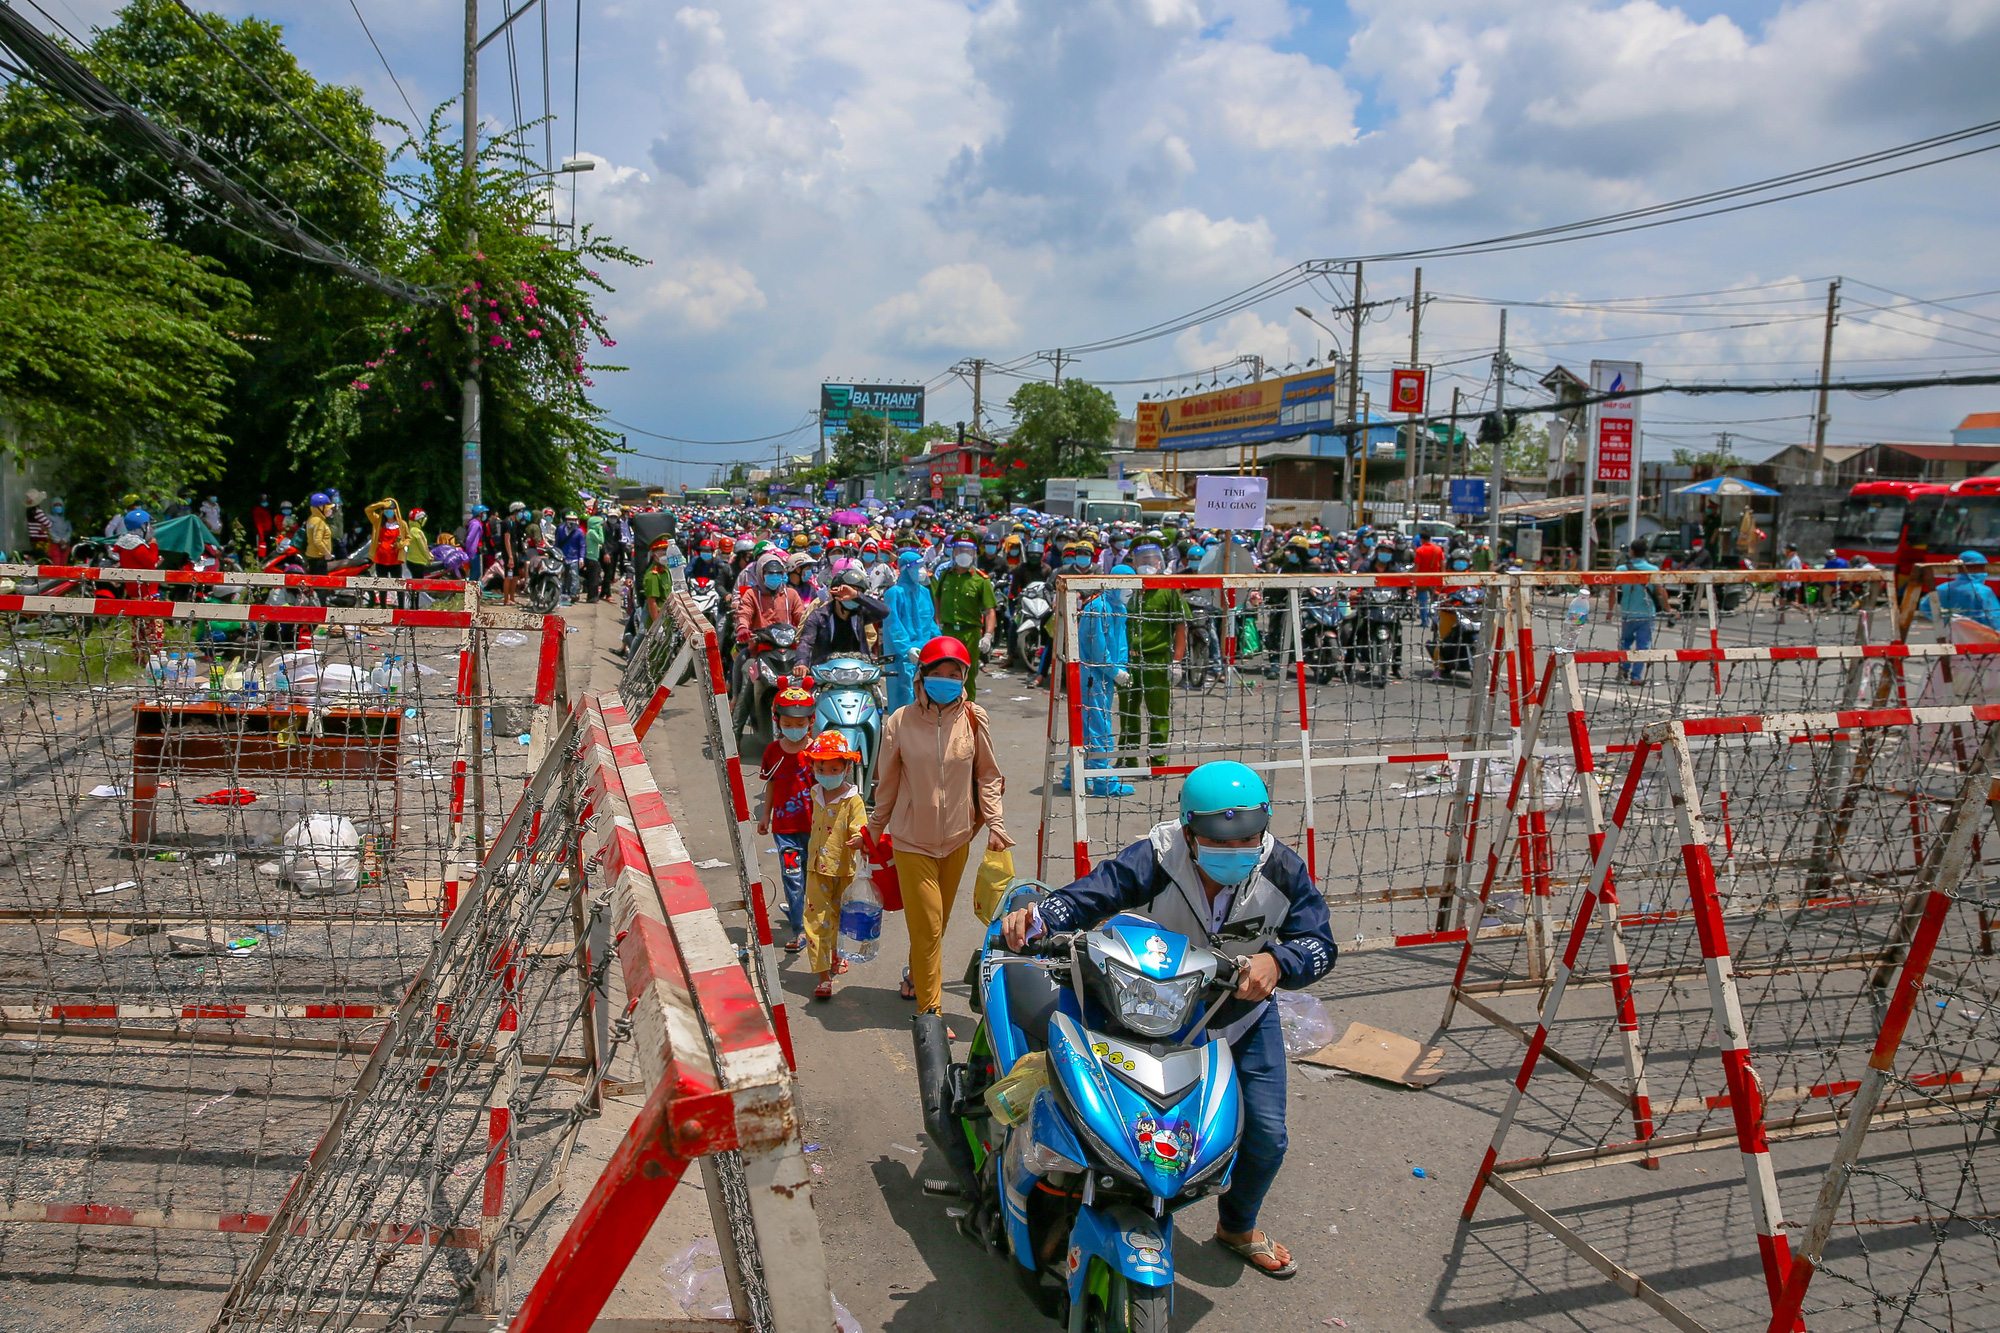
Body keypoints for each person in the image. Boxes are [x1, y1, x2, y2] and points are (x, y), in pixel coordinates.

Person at [999, 761, 1335, 1281]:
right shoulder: (1157, 857)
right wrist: (1041, 917)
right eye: (1219, 841)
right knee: (1123, 1126)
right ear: (1188, 832)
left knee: (1267, 1135)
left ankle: (1238, 1226)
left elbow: (1319, 945)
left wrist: (1278, 962)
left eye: (1248, 839)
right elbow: (1095, 893)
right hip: (1153, 1010)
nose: (1235, 851)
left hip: (1240, 1014)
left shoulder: (1283, 870)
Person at [865, 636, 1010, 1009]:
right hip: (912, 841)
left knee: (937, 923)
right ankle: (930, 1014)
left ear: (964, 678)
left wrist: (995, 823)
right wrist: (874, 831)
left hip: (959, 838)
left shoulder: (975, 719)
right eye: (937, 673)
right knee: (928, 928)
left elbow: (988, 776)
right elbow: (887, 783)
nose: (944, 680)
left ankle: (915, 973)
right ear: (922, 676)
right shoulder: (900, 721)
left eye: (953, 674)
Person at [802, 730, 867, 1000]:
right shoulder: (815, 792)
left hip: (844, 868)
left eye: (833, 768)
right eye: (821, 768)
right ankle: (823, 976)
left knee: (841, 918)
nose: (826, 773)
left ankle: (838, 956)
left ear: (846, 768)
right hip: (816, 868)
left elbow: (859, 826)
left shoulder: (853, 799)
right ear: (813, 767)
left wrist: (859, 838)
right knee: (816, 921)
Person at [756, 686, 819, 952]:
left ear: (811, 722)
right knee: (792, 876)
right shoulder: (772, 752)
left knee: (814, 877)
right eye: (788, 724)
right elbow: (770, 785)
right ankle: (798, 929)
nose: (794, 728)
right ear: (777, 721)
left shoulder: (817, 752)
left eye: (800, 724)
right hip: (784, 831)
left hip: (816, 830)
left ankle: (817, 923)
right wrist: (766, 816)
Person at [1120, 546, 1187, 770]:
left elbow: (1180, 628)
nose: (1147, 563)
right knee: (1127, 711)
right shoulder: (1127, 589)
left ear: (1160, 563)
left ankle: (1156, 760)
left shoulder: (1168, 590)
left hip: (1156, 659)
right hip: (1128, 660)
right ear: (1134, 563)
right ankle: (1128, 758)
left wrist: (1176, 661)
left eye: (1151, 559)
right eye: (1142, 559)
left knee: (1158, 712)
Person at [1071, 565, 1134, 797]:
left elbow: (1121, 643)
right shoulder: (1099, 607)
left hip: (1104, 674)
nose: (1130, 591)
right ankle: (1102, 781)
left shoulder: (1119, 608)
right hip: (1093, 673)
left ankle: (1072, 773)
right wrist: (1113, 669)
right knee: (1098, 726)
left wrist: (1120, 667)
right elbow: (1097, 647)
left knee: (1088, 725)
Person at [933, 537, 998, 700]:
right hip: (947, 631)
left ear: (974, 554)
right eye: (960, 551)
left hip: (970, 633)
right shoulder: (945, 575)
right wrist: (936, 624)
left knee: (967, 675)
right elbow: (938, 600)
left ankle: (968, 712)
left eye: (968, 552)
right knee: (944, 673)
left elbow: (990, 611)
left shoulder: (980, 580)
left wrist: (988, 636)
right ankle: (947, 709)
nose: (964, 555)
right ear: (953, 552)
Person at [882, 549, 941, 714]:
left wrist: (940, 643)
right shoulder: (894, 593)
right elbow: (893, 624)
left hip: (924, 653)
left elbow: (929, 622)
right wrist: (906, 648)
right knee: (902, 695)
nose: (920, 572)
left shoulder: (924, 592)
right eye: (916, 568)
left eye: (922, 567)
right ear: (906, 569)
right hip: (902, 655)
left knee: (923, 695)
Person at [800, 568, 887, 666]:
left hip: (858, 670)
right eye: (848, 591)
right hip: (825, 672)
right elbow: (806, 642)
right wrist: (801, 663)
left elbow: (884, 611)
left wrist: (857, 596)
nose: (850, 597)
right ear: (835, 592)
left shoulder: (860, 614)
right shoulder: (818, 615)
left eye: (857, 591)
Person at [1613, 540, 1668, 683]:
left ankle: (1624, 667)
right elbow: (1660, 591)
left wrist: (1610, 609)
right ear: (1645, 552)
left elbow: (1613, 590)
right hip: (1647, 612)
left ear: (1631, 552)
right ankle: (1636, 676)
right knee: (1643, 646)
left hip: (1627, 612)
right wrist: (1669, 609)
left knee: (1625, 642)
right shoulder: (1653, 570)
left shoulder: (1621, 569)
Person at [1937, 551, 2000, 629]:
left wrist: (1945, 620)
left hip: (1950, 634)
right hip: (1979, 635)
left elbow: (1926, 607)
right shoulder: (1983, 591)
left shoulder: (1942, 588)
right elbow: (1995, 618)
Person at [364, 498, 407, 607]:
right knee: (382, 585)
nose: (389, 512)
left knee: (399, 585)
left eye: (391, 509)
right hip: (381, 558)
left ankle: (401, 608)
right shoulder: (378, 521)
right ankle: (383, 607)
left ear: (395, 510)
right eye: (386, 510)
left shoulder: (402, 524)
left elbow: (408, 538)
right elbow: (368, 510)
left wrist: (400, 544)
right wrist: (381, 504)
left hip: (395, 559)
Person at [641, 536, 678, 624]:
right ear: (654, 553)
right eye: (663, 550)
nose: (666, 553)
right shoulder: (653, 575)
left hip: (667, 615)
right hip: (657, 617)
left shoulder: (665, 569)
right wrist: (657, 625)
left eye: (667, 550)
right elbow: (652, 602)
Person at [303, 491, 335, 579]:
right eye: (328, 508)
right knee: (321, 586)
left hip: (312, 556)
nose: (330, 511)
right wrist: (327, 554)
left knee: (314, 583)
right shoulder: (319, 522)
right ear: (320, 508)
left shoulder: (311, 519)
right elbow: (317, 540)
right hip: (318, 558)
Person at [402, 508, 431, 582]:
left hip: (410, 560)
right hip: (418, 562)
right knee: (418, 584)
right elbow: (423, 547)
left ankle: (414, 593)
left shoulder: (410, 530)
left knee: (414, 583)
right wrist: (429, 557)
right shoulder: (417, 532)